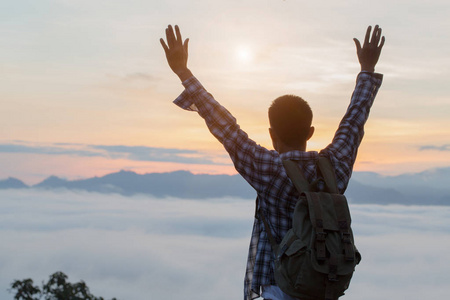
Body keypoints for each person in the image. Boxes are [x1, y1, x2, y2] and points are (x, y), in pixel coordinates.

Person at [160, 24, 385, 300]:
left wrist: (184, 72)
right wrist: (367, 69)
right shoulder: (334, 167)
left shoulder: (267, 169)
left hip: (281, 289)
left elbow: (225, 126)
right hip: (326, 288)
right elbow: (354, 121)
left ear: (271, 134)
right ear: (310, 132)